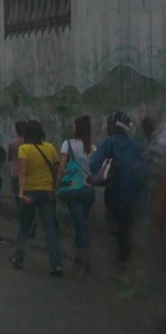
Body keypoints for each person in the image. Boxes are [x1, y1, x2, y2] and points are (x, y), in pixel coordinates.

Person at [9, 120, 64, 277]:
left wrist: (20, 192)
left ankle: (18, 257)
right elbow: (56, 169)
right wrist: (54, 188)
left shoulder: (24, 149)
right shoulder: (50, 147)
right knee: (51, 229)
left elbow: (23, 173)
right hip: (47, 192)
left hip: (30, 193)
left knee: (24, 227)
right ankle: (57, 264)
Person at [90, 111, 144, 269]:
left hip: (114, 194)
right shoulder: (136, 145)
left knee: (114, 226)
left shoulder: (109, 143)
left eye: (109, 124)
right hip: (133, 196)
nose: (107, 127)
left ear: (114, 126)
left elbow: (94, 165)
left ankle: (119, 261)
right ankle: (125, 257)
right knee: (126, 227)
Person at [56, 115, 96, 275]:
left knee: (80, 225)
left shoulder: (68, 144)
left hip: (74, 189)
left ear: (77, 128)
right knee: (80, 223)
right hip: (89, 191)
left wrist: (57, 185)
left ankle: (84, 260)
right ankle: (79, 257)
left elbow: (61, 167)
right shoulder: (92, 147)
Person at [8, 120, 26, 210]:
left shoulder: (12, 143)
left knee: (18, 198)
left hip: (15, 172)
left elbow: (9, 157)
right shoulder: (29, 142)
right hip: (27, 172)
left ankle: (22, 217)